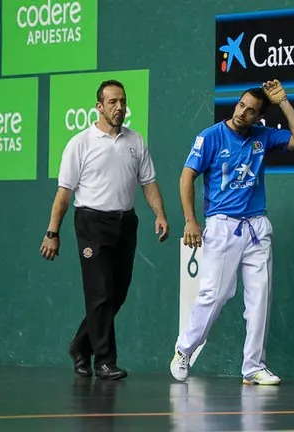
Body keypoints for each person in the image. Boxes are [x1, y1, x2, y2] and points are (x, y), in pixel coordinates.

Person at [170, 80, 294, 385]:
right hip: (222, 225)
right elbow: (186, 177)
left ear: (259, 117)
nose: (242, 113)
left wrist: (284, 101)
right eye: (240, 106)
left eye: (250, 111)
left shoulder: (263, 137)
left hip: (257, 227)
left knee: (260, 298)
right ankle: (184, 349)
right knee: (215, 295)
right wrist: (190, 220)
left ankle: (253, 367)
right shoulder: (210, 137)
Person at [40, 80, 170, 380]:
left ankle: (79, 345)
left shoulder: (136, 141)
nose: (119, 107)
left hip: (126, 223)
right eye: (112, 102)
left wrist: (160, 215)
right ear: (99, 106)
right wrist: (52, 232)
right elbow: (64, 192)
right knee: (99, 293)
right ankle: (105, 361)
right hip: (91, 224)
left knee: (116, 295)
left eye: (122, 101)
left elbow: (148, 182)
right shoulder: (80, 143)